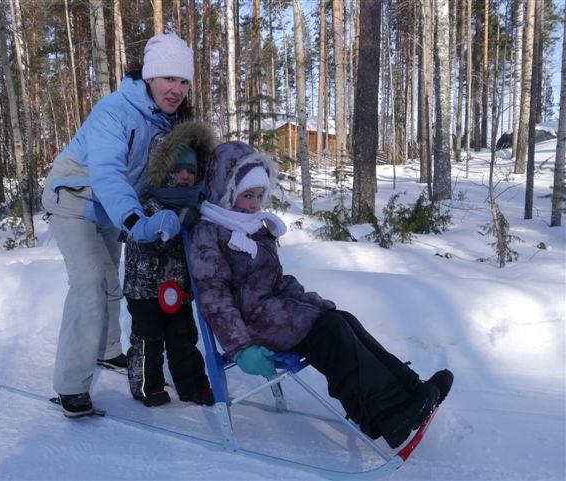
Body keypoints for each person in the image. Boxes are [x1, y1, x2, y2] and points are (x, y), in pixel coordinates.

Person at [188, 141, 454, 449]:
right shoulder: (209, 233)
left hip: (275, 314)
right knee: (332, 334)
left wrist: (313, 303)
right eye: (247, 195)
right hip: (251, 325)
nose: (254, 204)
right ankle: (386, 414)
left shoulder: (251, 227)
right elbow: (214, 298)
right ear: (226, 191)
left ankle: (411, 391)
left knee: (342, 320)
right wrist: (241, 348)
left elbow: (276, 281)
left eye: (259, 196)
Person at [41, 32, 194, 418]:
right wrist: (134, 220)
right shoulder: (114, 111)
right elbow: (107, 172)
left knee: (112, 283)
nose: (176, 89)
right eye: (168, 79)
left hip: (111, 208)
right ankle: (71, 386)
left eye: (183, 81)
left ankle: (108, 351)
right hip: (75, 199)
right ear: (148, 76)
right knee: (90, 283)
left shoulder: (169, 120)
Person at [123, 121, 215, 407]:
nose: (185, 177)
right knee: (148, 340)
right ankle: (146, 387)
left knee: (184, 338)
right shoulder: (145, 204)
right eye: (177, 171)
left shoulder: (195, 206)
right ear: (164, 173)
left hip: (179, 290)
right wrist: (168, 227)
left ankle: (193, 387)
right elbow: (142, 239)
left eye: (190, 171)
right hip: (145, 289)